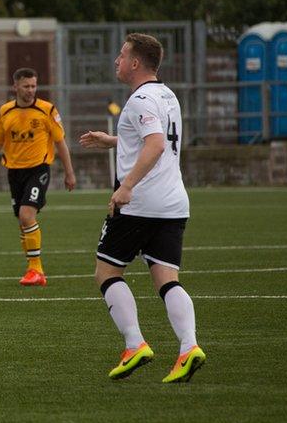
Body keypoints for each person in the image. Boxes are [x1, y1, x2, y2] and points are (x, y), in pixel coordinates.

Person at [79, 32, 206, 383]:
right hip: (173, 203)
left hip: (141, 205)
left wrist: (126, 186)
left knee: (106, 272)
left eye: (121, 55)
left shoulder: (138, 101)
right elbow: (152, 139)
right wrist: (114, 141)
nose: (117, 61)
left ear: (136, 63)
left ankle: (134, 344)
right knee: (167, 279)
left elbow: (154, 145)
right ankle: (188, 347)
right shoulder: (167, 95)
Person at [0, 68, 76, 286]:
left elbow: (60, 143)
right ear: (15, 87)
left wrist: (69, 173)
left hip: (38, 170)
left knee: (26, 215)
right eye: (26, 86)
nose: (31, 90)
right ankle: (32, 269)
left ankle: (36, 269)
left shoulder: (46, 110)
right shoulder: (5, 111)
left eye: (33, 86)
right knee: (23, 222)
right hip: (14, 173)